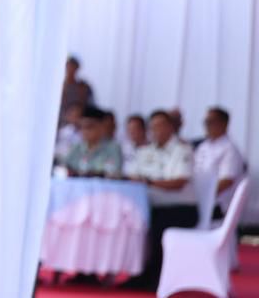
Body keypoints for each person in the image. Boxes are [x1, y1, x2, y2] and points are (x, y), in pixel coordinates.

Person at [126, 109, 197, 288]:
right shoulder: (145, 151)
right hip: (148, 206)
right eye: (153, 127)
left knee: (158, 225)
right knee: (128, 222)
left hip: (180, 208)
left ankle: (156, 278)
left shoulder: (183, 149)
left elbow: (179, 182)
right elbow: (131, 177)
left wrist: (149, 182)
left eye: (161, 125)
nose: (157, 130)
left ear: (171, 127)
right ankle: (136, 272)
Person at [194, 106, 246, 216]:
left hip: (217, 205)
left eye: (211, 122)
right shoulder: (203, 146)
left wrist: (202, 195)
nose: (207, 125)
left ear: (224, 124)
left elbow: (226, 181)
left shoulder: (230, 149)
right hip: (198, 201)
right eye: (206, 122)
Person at [62, 106, 123, 178]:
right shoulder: (76, 147)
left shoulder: (113, 148)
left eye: (89, 127)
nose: (85, 131)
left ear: (101, 127)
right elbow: (64, 167)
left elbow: (114, 173)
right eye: (81, 127)